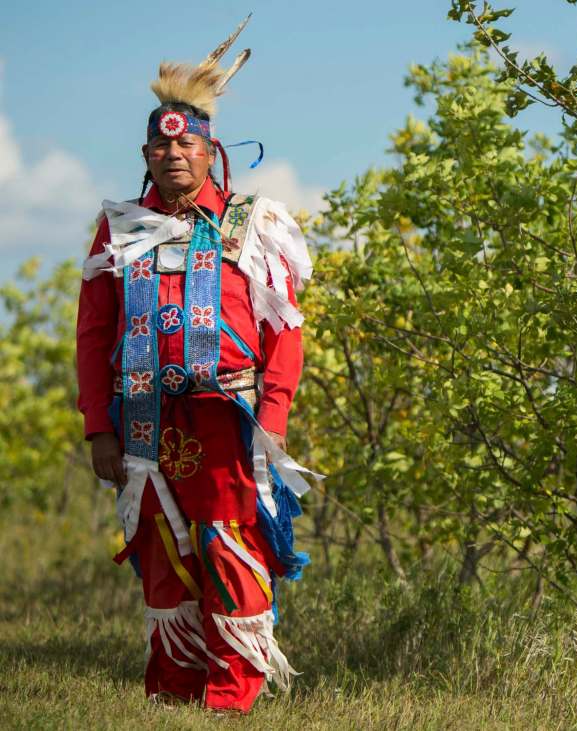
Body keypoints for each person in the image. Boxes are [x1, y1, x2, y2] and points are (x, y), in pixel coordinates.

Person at [75, 17, 318, 714]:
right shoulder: (118, 229)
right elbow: (94, 335)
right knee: (160, 549)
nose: (173, 151)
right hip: (143, 419)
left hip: (229, 418)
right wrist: (100, 426)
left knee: (231, 544)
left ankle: (230, 697)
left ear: (211, 151)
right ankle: (174, 688)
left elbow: (285, 332)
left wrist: (271, 421)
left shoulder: (254, 223)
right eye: (161, 142)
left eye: (187, 141)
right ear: (146, 153)